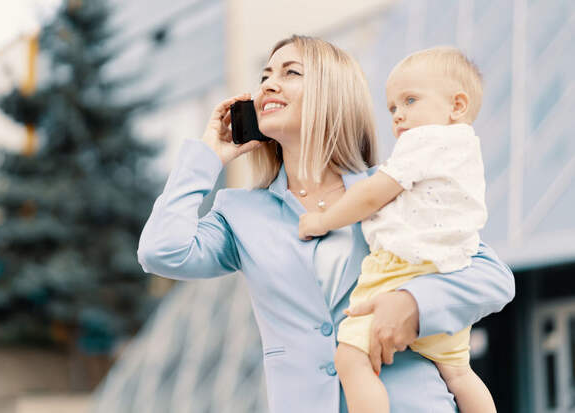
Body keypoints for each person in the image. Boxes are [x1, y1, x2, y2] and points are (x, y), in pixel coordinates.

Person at [137, 35, 514, 413]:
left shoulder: (390, 186)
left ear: (332, 93)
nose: (269, 84)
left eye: (291, 73)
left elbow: (493, 277)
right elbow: (161, 251)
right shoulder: (240, 212)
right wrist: (207, 156)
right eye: (265, 76)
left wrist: (412, 303)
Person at [299, 47, 496, 413]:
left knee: (350, 358)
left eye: (410, 100)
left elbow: (372, 194)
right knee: (459, 374)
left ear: (457, 106)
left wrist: (323, 220)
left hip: (400, 271)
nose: (399, 115)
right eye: (392, 108)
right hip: (448, 271)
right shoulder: (466, 149)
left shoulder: (423, 141)